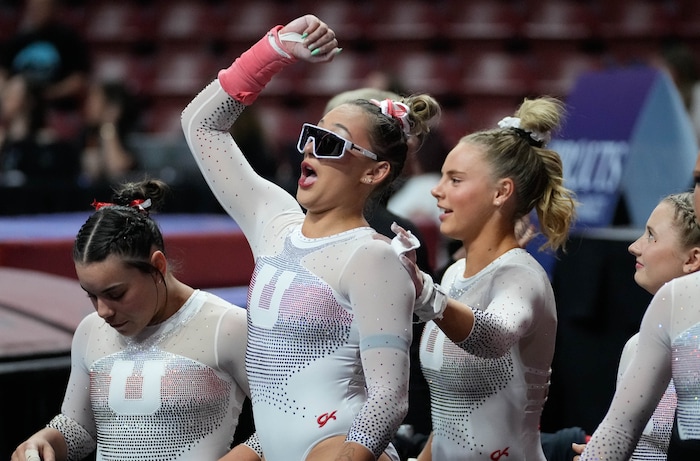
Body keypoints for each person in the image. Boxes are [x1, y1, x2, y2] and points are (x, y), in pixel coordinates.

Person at [181, 14, 441, 461]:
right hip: (275, 443)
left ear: (374, 172)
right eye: (311, 135)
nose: (309, 150)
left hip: (340, 447)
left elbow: (389, 399)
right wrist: (274, 51)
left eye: (331, 143)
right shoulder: (273, 221)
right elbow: (200, 126)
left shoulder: (373, 258)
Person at [10, 179, 250, 461]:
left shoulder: (228, 326)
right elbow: (79, 428)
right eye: (92, 296)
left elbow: (290, 419)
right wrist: (43, 441)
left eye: (116, 294)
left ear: (157, 266)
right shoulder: (90, 332)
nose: (102, 311)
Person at [394, 97, 578, 460]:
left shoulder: (522, 276)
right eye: (443, 176)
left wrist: (425, 293)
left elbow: (492, 337)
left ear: (501, 192)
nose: (436, 189)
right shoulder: (454, 272)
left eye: (455, 180)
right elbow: (450, 419)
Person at [575, 151, 700, 460]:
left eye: (651, 237)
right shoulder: (670, 307)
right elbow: (621, 432)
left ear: (692, 258)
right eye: (697, 180)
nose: (633, 246)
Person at [0, 0, 91, 138]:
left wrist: (44, 95)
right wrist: (11, 94)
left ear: (54, 8)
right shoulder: (18, 39)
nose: (35, 10)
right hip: (20, 108)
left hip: (57, 109)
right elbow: (2, 74)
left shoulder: (67, 39)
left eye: (41, 6)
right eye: (32, 7)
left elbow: (78, 81)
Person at [78, 80, 141, 187]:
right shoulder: (85, 133)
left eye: (94, 100)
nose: (88, 105)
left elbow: (115, 169)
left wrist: (108, 127)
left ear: (113, 107)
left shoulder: (132, 135)